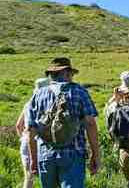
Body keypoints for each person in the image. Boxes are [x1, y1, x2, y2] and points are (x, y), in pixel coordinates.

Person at [27, 57, 101, 188]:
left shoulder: (38, 94)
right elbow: (90, 123)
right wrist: (96, 155)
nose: (72, 77)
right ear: (67, 73)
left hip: (45, 154)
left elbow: (31, 130)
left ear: (51, 75)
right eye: (71, 74)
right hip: (73, 153)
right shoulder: (79, 91)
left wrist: (33, 159)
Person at [16, 78, 49, 188]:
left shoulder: (28, 104)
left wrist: (23, 138)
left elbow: (18, 126)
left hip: (26, 141)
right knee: (49, 178)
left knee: (28, 177)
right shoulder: (48, 104)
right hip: (43, 144)